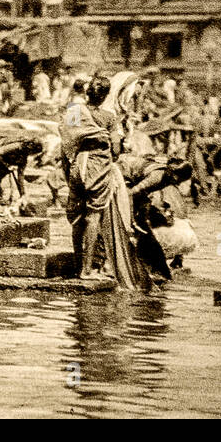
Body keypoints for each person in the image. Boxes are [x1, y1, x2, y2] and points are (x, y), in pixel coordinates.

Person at [59, 75, 149, 289]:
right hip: (97, 168)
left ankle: (77, 264)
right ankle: (87, 270)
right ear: (106, 96)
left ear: (87, 92)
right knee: (93, 216)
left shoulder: (74, 111)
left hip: (76, 167)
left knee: (78, 218)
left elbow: (66, 139)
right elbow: (116, 150)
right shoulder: (109, 117)